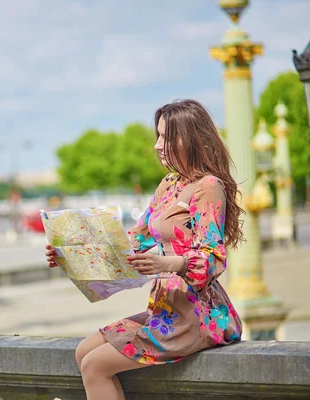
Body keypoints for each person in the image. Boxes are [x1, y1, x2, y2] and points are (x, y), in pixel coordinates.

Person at [45, 99, 244, 400]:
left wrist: (168, 265)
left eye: (166, 137)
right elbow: (133, 242)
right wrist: (69, 254)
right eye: (158, 136)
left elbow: (213, 258)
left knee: (96, 366)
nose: (157, 145)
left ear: (190, 138)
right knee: (83, 352)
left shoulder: (208, 186)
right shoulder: (169, 184)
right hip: (165, 308)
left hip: (196, 313)